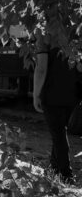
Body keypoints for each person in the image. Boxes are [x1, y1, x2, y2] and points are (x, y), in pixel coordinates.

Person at [33, 34, 80, 183]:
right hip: (73, 92)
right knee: (59, 132)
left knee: (58, 134)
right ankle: (53, 169)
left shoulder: (45, 36)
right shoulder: (76, 30)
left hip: (52, 93)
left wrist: (36, 95)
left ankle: (66, 175)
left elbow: (41, 68)